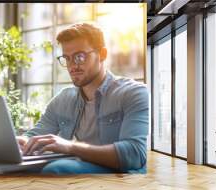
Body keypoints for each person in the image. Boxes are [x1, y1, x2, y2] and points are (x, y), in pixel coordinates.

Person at [16, 23, 149, 174]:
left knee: (57, 168)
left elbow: (135, 154)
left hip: (120, 175)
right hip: (79, 166)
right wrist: (20, 141)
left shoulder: (134, 93)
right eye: (67, 58)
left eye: (79, 57)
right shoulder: (63, 99)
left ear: (102, 54)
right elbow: (35, 136)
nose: (72, 66)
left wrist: (70, 147)